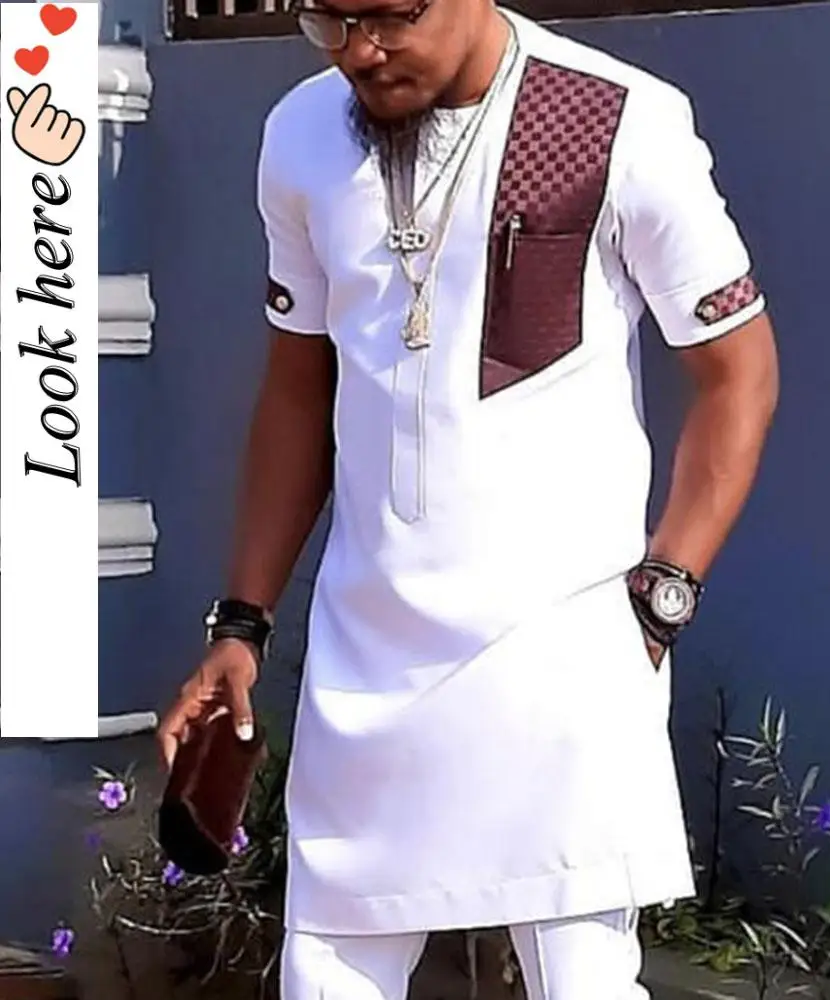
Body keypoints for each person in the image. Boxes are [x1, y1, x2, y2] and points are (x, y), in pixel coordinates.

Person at [157, 1, 780, 998]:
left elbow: (738, 372)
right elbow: (299, 389)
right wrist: (242, 623)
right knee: (323, 978)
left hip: (565, 641)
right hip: (366, 656)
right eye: (328, 20)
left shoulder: (620, 118)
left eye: (388, 16)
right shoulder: (302, 134)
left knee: (582, 981)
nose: (359, 51)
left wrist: (662, 596)